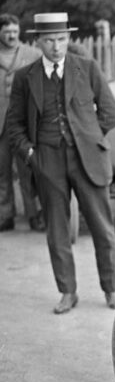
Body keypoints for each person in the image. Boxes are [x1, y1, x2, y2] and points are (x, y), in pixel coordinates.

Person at [5, 13, 115, 314]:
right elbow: (14, 125)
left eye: (61, 39)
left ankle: (110, 289)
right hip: (47, 160)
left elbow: (110, 111)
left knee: (102, 228)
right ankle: (68, 292)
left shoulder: (87, 68)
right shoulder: (25, 77)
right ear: (38, 41)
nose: (56, 47)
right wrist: (32, 154)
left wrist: (91, 139)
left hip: (88, 159)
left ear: (68, 39)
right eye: (49, 40)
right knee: (57, 231)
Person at [0, 13, 44, 232]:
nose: (11, 36)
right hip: (0, 126)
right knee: (1, 171)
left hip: (24, 123)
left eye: (15, 32)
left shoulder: (33, 55)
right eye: (6, 31)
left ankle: (34, 215)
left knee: (29, 168)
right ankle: (5, 216)